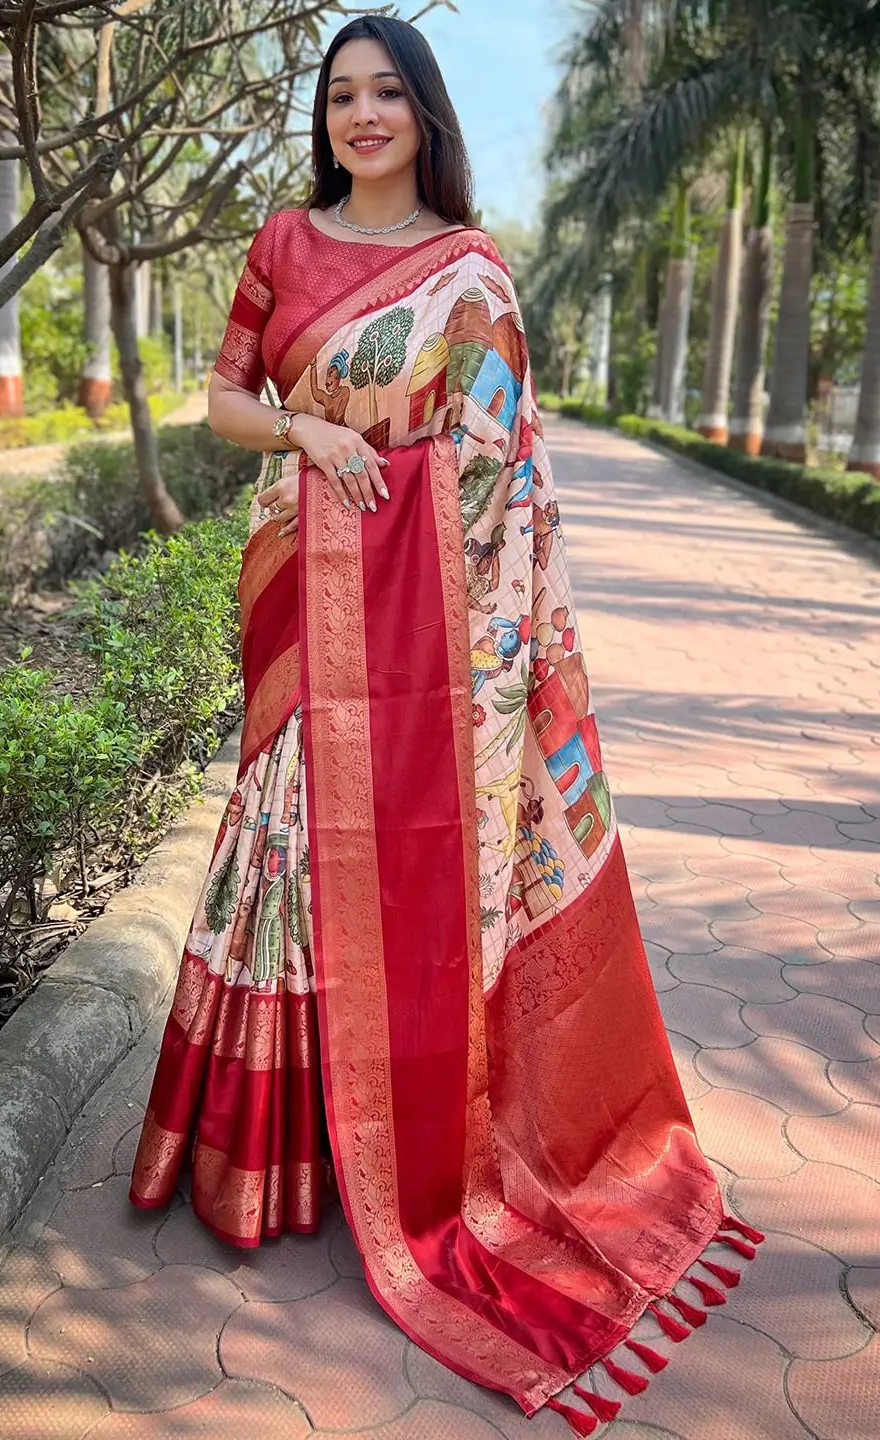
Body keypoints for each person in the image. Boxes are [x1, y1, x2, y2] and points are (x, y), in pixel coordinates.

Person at [128, 14, 761, 1433]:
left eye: (386, 94)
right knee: (285, 842)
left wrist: (461, 595)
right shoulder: (285, 243)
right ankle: (278, 1152)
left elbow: (505, 470)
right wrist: (308, 431)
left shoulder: (471, 272)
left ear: (424, 112)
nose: (362, 116)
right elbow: (224, 399)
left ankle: (405, 1143)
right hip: (306, 589)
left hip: (438, 629)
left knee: (413, 864)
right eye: (340, 97)